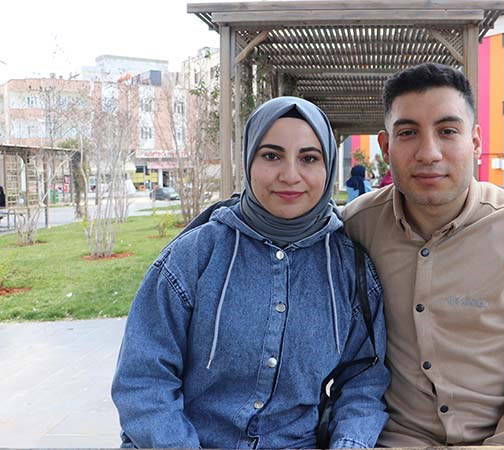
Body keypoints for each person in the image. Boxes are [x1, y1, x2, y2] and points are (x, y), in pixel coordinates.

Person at [112, 97, 389, 449]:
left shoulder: (349, 267)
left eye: (308, 158)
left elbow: (364, 379)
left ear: (328, 167)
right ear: (248, 161)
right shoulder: (194, 256)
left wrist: (349, 443)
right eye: (271, 156)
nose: (290, 175)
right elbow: (143, 381)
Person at [342, 63, 504, 446]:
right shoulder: (357, 227)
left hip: (503, 436)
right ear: (385, 147)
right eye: (408, 133)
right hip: (396, 439)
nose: (429, 153)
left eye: (447, 131)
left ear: (476, 141)